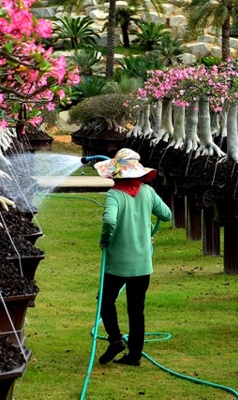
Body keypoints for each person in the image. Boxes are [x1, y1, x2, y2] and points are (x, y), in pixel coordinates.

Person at [95, 149, 172, 366]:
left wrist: (105, 240)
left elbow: (109, 221)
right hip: (142, 263)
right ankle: (135, 355)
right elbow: (166, 215)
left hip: (117, 263)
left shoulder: (114, 195)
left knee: (105, 300)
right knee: (136, 310)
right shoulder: (147, 192)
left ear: (116, 173)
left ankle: (116, 339)